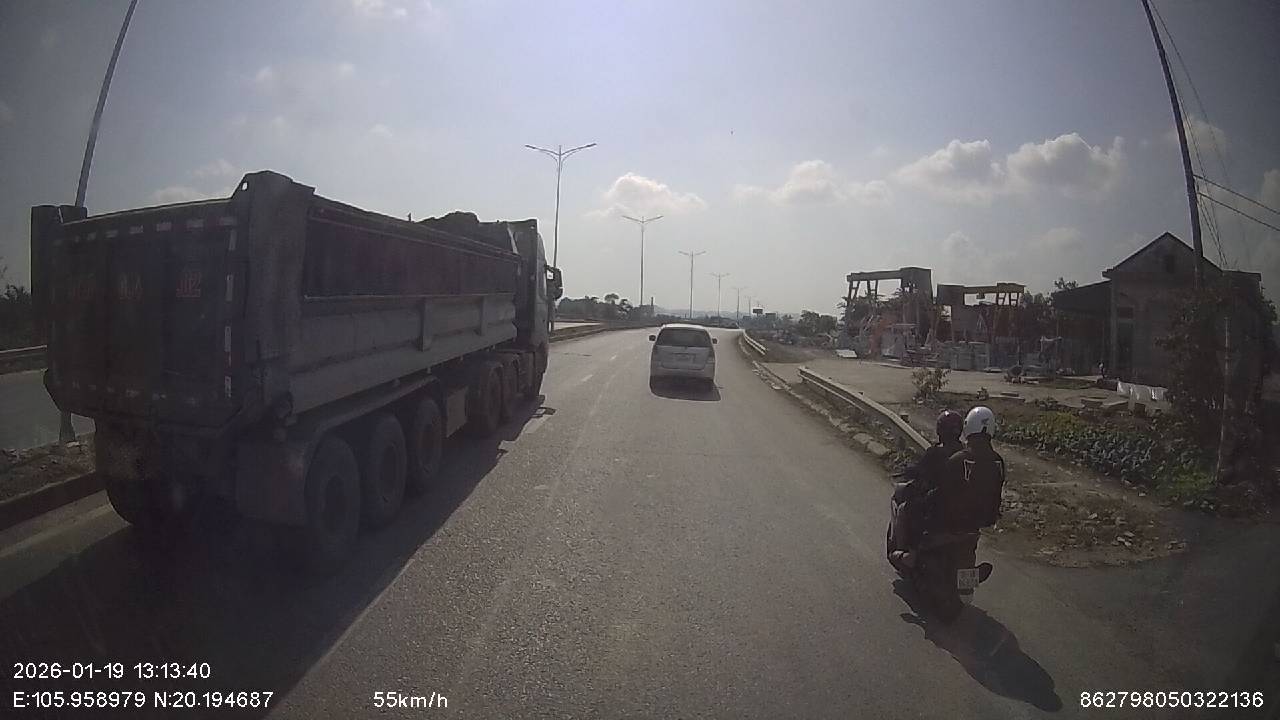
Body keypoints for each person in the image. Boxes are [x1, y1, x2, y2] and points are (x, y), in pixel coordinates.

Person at [887, 410, 964, 574]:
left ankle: (908, 554)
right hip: (959, 508)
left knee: (904, 509)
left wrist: (910, 470)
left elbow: (921, 469)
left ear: (940, 430)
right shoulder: (964, 453)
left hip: (936, 504)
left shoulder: (936, 452)